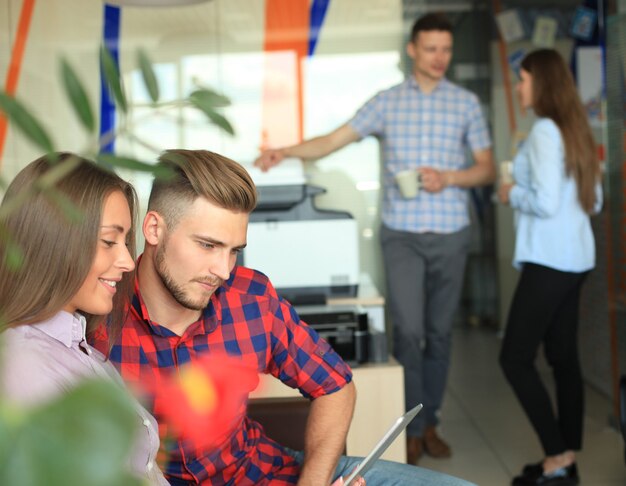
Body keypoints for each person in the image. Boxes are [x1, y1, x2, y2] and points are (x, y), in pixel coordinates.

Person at [91, 148, 477, 486]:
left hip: (265, 473)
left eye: (233, 250)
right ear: (154, 228)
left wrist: (314, 482)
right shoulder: (97, 319)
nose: (223, 270)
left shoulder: (250, 298)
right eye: (208, 245)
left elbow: (336, 386)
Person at [254, 12, 495, 464]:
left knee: (440, 335)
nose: (439, 57)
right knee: (408, 331)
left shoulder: (464, 104)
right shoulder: (387, 101)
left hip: (451, 232)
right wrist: (284, 150)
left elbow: (486, 168)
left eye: (445, 49)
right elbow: (333, 141)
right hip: (401, 235)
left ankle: (430, 423)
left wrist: (450, 177)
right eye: (431, 49)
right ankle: (413, 427)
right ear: (412, 51)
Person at [0, 153, 168, 485]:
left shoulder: (78, 347)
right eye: (109, 241)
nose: (127, 261)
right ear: (54, 241)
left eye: (125, 241)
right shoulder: (24, 367)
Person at [497, 48, 602, 486]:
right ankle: (566, 460)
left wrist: (509, 192)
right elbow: (593, 201)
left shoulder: (543, 131)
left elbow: (543, 200)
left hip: (549, 261)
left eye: (522, 79)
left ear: (539, 83)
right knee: (563, 357)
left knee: (515, 357)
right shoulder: (576, 128)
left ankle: (556, 456)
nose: (519, 87)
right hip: (577, 257)